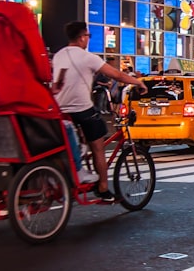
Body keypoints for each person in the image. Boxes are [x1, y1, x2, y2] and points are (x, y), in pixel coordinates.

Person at [52, 21, 145, 202]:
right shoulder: (88, 57)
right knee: (98, 146)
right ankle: (103, 187)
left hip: (60, 110)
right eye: (88, 36)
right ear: (81, 38)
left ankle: (78, 160)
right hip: (81, 108)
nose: (88, 39)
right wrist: (138, 82)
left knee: (77, 139)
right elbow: (116, 75)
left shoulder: (58, 55)